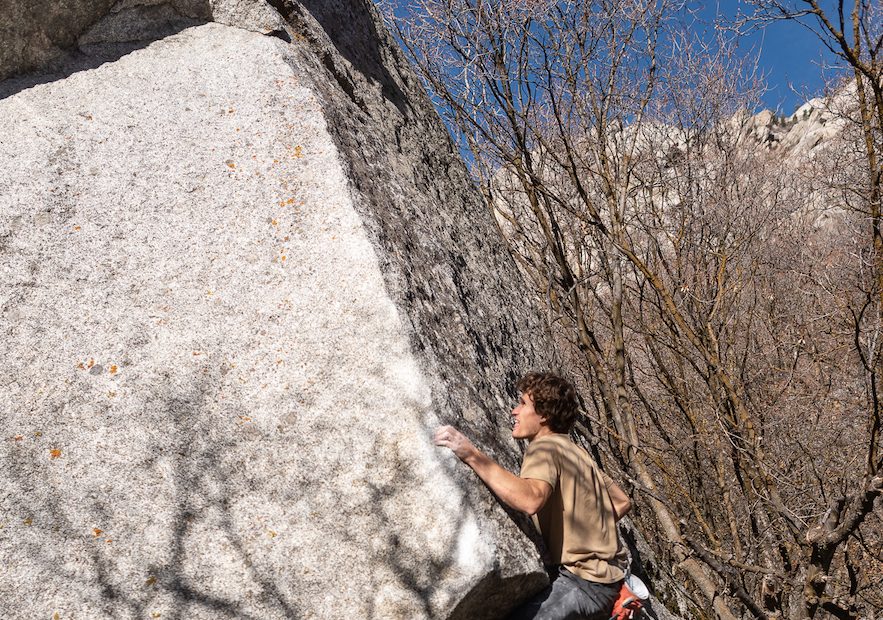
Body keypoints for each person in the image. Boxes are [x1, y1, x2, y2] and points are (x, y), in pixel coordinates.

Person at [434, 372, 631, 620]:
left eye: (523, 404)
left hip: (584, 585)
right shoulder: (575, 452)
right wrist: (581, 538)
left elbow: (530, 500)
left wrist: (471, 454)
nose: (515, 411)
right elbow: (622, 501)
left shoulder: (545, 447)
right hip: (607, 584)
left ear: (544, 415)